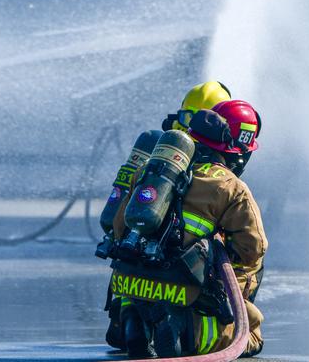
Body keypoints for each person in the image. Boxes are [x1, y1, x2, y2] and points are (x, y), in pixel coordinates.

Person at [111, 99, 267, 358]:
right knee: (251, 337)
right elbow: (253, 249)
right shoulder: (231, 187)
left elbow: (119, 228)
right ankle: (185, 332)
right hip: (184, 287)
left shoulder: (153, 171)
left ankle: (130, 320)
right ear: (237, 151)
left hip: (131, 282)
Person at [102, 80, 232, 351]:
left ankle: (127, 319)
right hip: (178, 264)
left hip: (128, 255)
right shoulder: (203, 158)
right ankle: (189, 332)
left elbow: (121, 211)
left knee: (133, 247)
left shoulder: (159, 146)